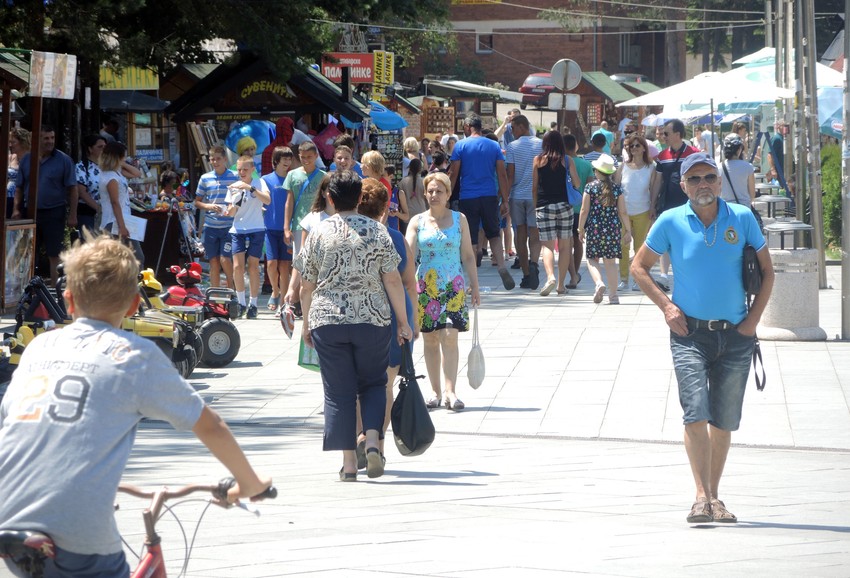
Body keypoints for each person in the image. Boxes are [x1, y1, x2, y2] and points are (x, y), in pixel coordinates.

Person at [0, 235, 272, 577]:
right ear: (133, 306)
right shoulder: (134, 355)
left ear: (68, 300)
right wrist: (249, 483)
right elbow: (210, 425)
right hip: (77, 532)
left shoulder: (39, 348)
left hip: (9, 518)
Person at [631, 153, 774, 524]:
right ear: (683, 186)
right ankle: (701, 497)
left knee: (724, 421)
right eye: (694, 180)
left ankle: (715, 496)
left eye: (709, 177)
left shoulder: (741, 218)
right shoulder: (670, 220)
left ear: (720, 181)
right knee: (696, 411)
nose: (703, 185)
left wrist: (752, 323)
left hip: (736, 335)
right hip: (689, 334)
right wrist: (667, 307)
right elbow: (638, 266)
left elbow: (768, 272)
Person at [295, 170, 411, 481]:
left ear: (330, 199)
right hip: (371, 318)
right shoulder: (378, 231)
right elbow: (393, 279)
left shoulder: (319, 233)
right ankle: (372, 441)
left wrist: (306, 323)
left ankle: (349, 464)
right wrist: (403, 321)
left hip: (328, 320)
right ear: (360, 198)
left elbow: (306, 284)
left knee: (337, 391)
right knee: (373, 383)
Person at [405, 172, 480, 412]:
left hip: (453, 286)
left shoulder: (460, 219)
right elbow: (407, 254)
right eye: (430, 191)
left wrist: (475, 285)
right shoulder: (417, 221)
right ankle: (435, 392)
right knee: (430, 338)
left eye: (439, 191)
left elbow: (468, 255)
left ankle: (450, 391)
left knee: (450, 336)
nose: (434, 195)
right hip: (426, 287)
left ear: (448, 194)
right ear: (425, 194)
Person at [356, 178, 418, 461]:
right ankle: (377, 446)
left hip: (358, 316)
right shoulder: (395, 238)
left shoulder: (347, 236)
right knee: (385, 385)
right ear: (384, 208)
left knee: (357, 387)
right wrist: (412, 322)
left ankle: (360, 438)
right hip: (394, 316)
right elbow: (408, 283)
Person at [449, 113, 515, 290]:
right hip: (489, 196)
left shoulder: (460, 146)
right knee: (493, 233)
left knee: (470, 237)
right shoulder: (494, 145)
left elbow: (454, 173)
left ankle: (472, 280)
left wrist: (446, 194)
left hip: (468, 197)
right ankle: (501, 266)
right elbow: (502, 173)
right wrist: (505, 200)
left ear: (468, 127)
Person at [13, 125, 77, 285]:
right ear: (37, 139)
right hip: (31, 211)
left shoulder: (63, 160)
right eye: (46, 138)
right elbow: (19, 187)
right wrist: (16, 209)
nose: (50, 141)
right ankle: (27, 291)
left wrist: (73, 214)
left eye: (52, 138)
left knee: (54, 253)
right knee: (27, 253)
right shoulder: (27, 159)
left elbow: (73, 189)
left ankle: (55, 293)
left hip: (54, 211)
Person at [577, 154, 631, 305]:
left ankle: (599, 283)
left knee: (592, 259)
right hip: (612, 229)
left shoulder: (590, 187)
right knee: (610, 262)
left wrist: (580, 229)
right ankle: (613, 296)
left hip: (594, 228)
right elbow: (623, 212)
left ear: (597, 171)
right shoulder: (617, 189)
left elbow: (584, 210)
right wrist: (628, 230)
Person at [532, 130, 580, 296]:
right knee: (565, 246)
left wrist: (535, 205)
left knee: (547, 245)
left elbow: (534, 186)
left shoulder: (538, 160)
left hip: (544, 206)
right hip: (564, 206)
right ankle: (560, 285)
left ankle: (550, 277)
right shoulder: (567, 160)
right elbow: (577, 182)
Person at [652, 119, 700, 285]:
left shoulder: (694, 153)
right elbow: (657, 181)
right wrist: (652, 204)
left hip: (691, 204)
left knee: (689, 237)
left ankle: (688, 272)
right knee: (667, 238)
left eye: (666, 133)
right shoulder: (662, 156)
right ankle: (664, 276)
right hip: (667, 203)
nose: (663, 136)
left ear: (677, 134)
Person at [226, 155, 272, 319]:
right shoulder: (233, 186)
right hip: (238, 229)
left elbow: (267, 200)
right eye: (239, 169)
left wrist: (249, 188)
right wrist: (233, 205)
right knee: (237, 267)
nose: (242, 172)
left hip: (256, 228)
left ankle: (253, 304)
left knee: (253, 266)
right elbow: (231, 212)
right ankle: (241, 303)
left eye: (245, 169)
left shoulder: (259, 183)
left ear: (253, 169)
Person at [614, 134, 657, 291]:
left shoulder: (651, 168)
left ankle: (638, 279)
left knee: (640, 247)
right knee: (623, 245)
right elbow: (616, 188)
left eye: (637, 146)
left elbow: (653, 190)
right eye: (631, 146)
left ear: (644, 148)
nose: (634, 149)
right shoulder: (623, 166)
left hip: (643, 211)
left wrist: (653, 207)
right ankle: (624, 278)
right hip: (623, 212)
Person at [505, 114, 542, 290]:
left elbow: (510, 175)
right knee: (535, 234)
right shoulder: (541, 144)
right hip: (535, 196)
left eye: (513, 128)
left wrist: (504, 198)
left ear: (521, 127)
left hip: (517, 196)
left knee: (520, 233)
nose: (511, 132)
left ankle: (527, 274)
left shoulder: (512, 147)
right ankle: (534, 263)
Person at [195, 145, 237, 289]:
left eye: (218, 159)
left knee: (225, 259)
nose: (215, 162)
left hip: (228, 226)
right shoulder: (205, 178)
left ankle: (232, 289)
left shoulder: (234, 176)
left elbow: (240, 199)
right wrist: (209, 206)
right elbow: (197, 201)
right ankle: (214, 292)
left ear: (225, 159)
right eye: (212, 159)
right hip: (210, 226)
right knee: (213, 261)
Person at [98, 141, 144, 266]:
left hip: (124, 218)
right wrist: (122, 226)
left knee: (133, 259)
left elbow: (137, 174)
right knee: (135, 258)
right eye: (124, 156)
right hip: (115, 221)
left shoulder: (117, 172)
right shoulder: (110, 177)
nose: (126, 159)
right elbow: (114, 202)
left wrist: (121, 163)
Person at [261, 146, 294, 311]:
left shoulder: (293, 178)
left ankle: (283, 303)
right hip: (269, 228)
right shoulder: (266, 179)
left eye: (289, 159)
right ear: (276, 161)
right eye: (284, 158)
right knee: (271, 263)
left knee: (284, 266)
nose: (287, 162)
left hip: (287, 229)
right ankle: (275, 290)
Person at [283, 141, 326, 258]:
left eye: (309, 157)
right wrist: (286, 228)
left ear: (316, 156)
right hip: (298, 224)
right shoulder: (292, 175)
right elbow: (289, 202)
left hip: (319, 224)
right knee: (299, 260)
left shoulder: (324, 176)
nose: (306, 160)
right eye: (302, 157)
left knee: (317, 259)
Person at [564, 134, 593, 288]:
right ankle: (575, 271)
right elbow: (590, 188)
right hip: (581, 208)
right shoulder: (586, 165)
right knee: (578, 241)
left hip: (565, 207)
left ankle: (572, 276)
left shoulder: (562, 162)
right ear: (575, 145)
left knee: (566, 244)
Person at [719, 134, 756, 208]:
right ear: (739, 149)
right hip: (744, 208)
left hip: (725, 208)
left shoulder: (718, 167)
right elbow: (752, 194)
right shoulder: (748, 167)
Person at [7, 127, 30, 219]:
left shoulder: (30, 158)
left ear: (22, 142)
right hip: (7, 198)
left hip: (23, 199)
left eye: (13, 142)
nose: (10, 145)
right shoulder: (11, 157)